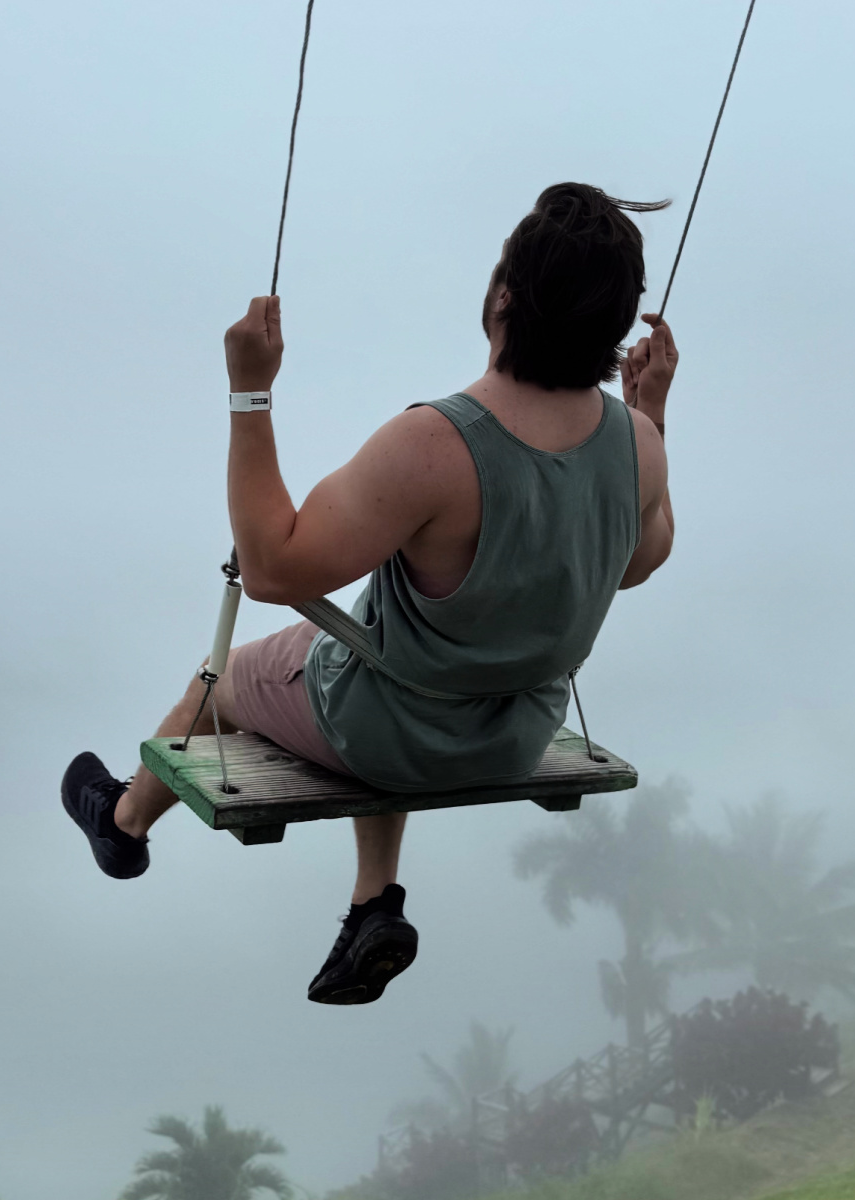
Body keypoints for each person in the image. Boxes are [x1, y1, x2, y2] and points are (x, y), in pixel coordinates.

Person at [62, 182, 677, 1005]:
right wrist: (652, 413)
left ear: (503, 297)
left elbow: (275, 570)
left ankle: (123, 824)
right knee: (369, 643)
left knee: (238, 674)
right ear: (617, 324)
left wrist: (251, 390)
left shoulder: (435, 444)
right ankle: (371, 902)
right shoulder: (636, 443)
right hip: (518, 733)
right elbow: (636, 561)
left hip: (391, 729)